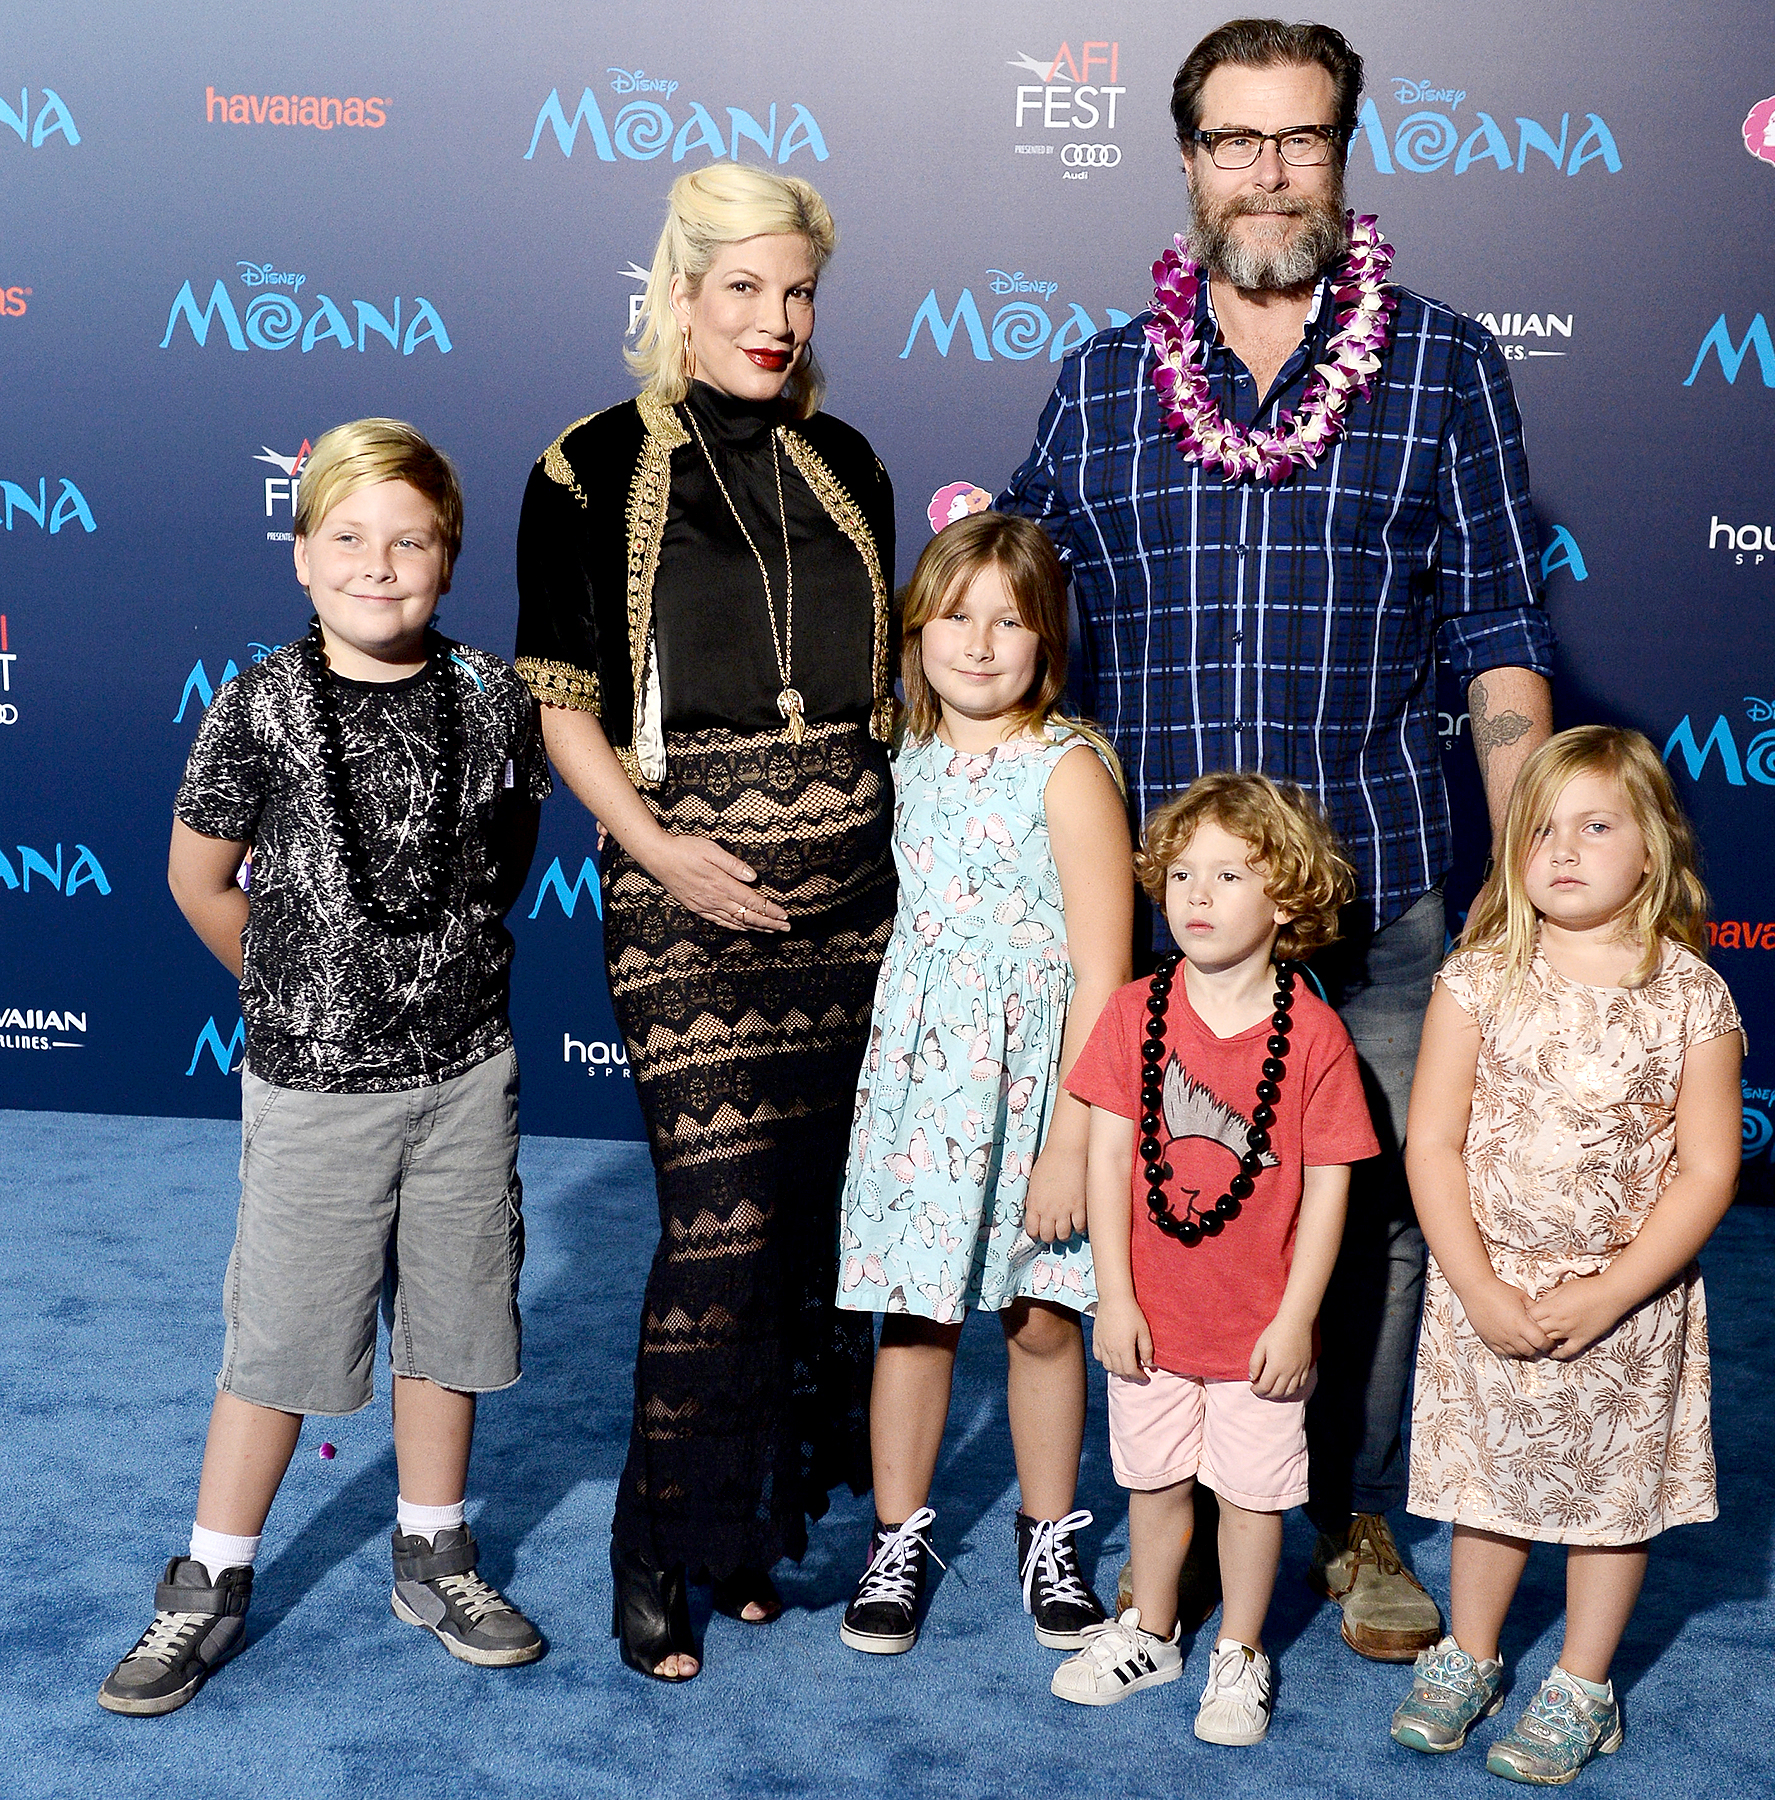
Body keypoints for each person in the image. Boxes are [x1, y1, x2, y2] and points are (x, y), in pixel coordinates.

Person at [999, 16, 1556, 1659]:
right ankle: (1169, 1488)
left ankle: (1355, 1510)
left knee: (1373, 1216)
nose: (1266, 172)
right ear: (1185, 161)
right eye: (1234, 141)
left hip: (1373, 893)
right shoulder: (1103, 384)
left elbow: (1502, 635)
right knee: (1166, 1202)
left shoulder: (1443, 365)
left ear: (1345, 156)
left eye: (1300, 139)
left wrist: (1527, 889)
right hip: (1171, 924)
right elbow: (1016, 634)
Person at [99, 420, 551, 1716]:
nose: (378, 563)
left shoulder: (492, 699)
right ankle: (211, 1579)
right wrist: (296, 988)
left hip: (464, 1073)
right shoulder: (260, 706)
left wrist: (422, 981)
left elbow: (505, 860)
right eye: (348, 538)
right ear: (302, 557)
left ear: (448, 556)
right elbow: (198, 877)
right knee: (283, 1340)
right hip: (315, 1087)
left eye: (408, 540)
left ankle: (435, 1548)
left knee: (454, 1321)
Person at [513, 165, 898, 1682]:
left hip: (856, 913)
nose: (773, 320)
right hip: (688, 906)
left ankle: (749, 1528)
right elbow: (566, 711)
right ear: (680, 295)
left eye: (798, 292)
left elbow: (879, 701)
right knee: (722, 1231)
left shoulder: (848, 461)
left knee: (811, 1239)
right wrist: (665, 856)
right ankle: (656, 1543)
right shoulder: (589, 466)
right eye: (743, 289)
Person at [1392, 727, 1742, 1785]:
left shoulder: (1690, 997)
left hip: (1623, 1309)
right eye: (1540, 828)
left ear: (1653, 848)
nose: (1564, 849)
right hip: (1486, 1291)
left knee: (1608, 1500)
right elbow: (1433, 1142)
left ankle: (1583, 1684)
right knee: (1488, 1488)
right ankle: (1471, 1653)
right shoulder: (1475, 980)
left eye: (1596, 826)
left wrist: (1614, 1292)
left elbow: (1707, 1173)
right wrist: (1477, 1284)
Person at [833, 513, 1133, 1657]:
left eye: (1010, 619)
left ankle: (1047, 1530)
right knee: (910, 1323)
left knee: (1044, 1318)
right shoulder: (896, 765)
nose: (980, 641)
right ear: (916, 632)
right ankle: (896, 1536)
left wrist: (1072, 1139)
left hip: (1041, 1093)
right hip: (921, 1090)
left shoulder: (1068, 769)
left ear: (1045, 641)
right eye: (957, 615)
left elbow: (1105, 973)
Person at [1056, 772, 1379, 1745]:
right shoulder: (1130, 1014)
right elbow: (1109, 1158)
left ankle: (1238, 1651)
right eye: (1182, 874)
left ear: (1283, 897)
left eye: (1228, 874)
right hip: (1149, 1318)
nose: (1196, 895)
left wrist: (1294, 1318)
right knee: (1150, 1488)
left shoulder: (1315, 1037)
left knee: (1250, 1498)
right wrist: (1111, 1297)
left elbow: (1329, 1188)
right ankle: (1150, 1632)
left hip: (1256, 1334)